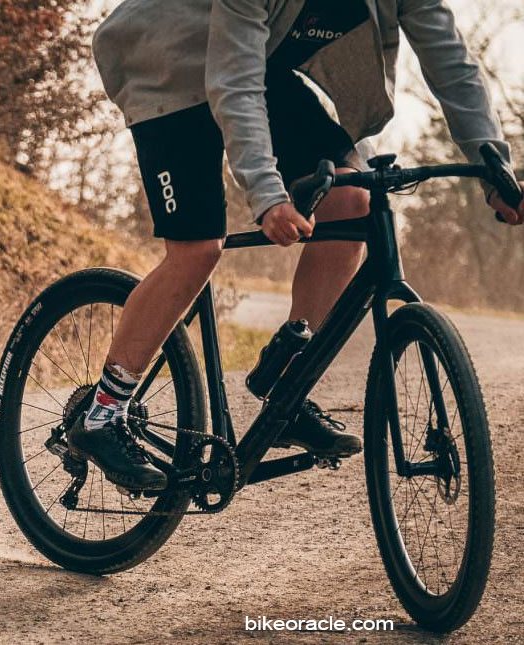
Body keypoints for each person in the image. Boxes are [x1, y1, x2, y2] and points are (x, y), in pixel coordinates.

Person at [71, 0, 524, 492]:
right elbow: (234, 85)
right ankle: (101, 414)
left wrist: (492, 164)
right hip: (166, 64)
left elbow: (452, 62)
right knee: (199, 249)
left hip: (254, 66)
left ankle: (287, 383)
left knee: (352, 199)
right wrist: (267, 195)